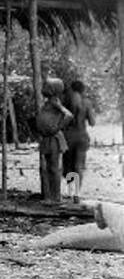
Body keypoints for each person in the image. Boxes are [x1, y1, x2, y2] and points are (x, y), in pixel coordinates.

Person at [34, 77, 72, 205]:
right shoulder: (48, 103)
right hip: (47, 138)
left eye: (47, 86)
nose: (44, 88)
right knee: (49, 168)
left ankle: (56, 198)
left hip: (54, 139)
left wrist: (57, 127)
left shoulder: (56, 103)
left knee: (54, 168)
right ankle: (51, 197)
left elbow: (68, 115)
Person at [62, 79, 94, 199]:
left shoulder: (66, 102)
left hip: (68, 137)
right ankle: (77, 193)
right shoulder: (87, 103)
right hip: (82, 137)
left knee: (69, 166)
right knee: (79, 166)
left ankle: (71, 191)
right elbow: (92, 122)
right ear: (83, 90)